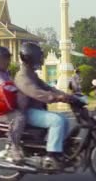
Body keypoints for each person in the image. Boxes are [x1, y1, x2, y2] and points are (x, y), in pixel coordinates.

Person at [15, 42, 72, 170]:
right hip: (26, 112)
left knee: (64, 120)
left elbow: (46, 87)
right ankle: (52, 155)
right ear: (30, 58)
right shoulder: (22, 76)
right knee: (57, 121)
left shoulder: (31, 74)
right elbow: (36, 92)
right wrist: (54, 97)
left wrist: (66, 96)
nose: (41, 59)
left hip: (35, 110)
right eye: (38, 56)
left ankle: (59, 149)